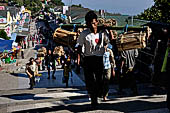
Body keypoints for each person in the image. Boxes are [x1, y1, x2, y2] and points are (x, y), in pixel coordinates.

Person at [77, 11, 111, 107]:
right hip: (88, 59)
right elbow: (79, 47)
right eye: (89, 23)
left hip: (99, 59)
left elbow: (109, 41)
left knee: (100, 80)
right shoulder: (84, 34)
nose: (92, 25)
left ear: (96, 22)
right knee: (90, 81)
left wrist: (108, 29)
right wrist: (79, 60)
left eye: (93, 23)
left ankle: (98, 94)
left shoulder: (102, 33)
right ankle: (93, 99)